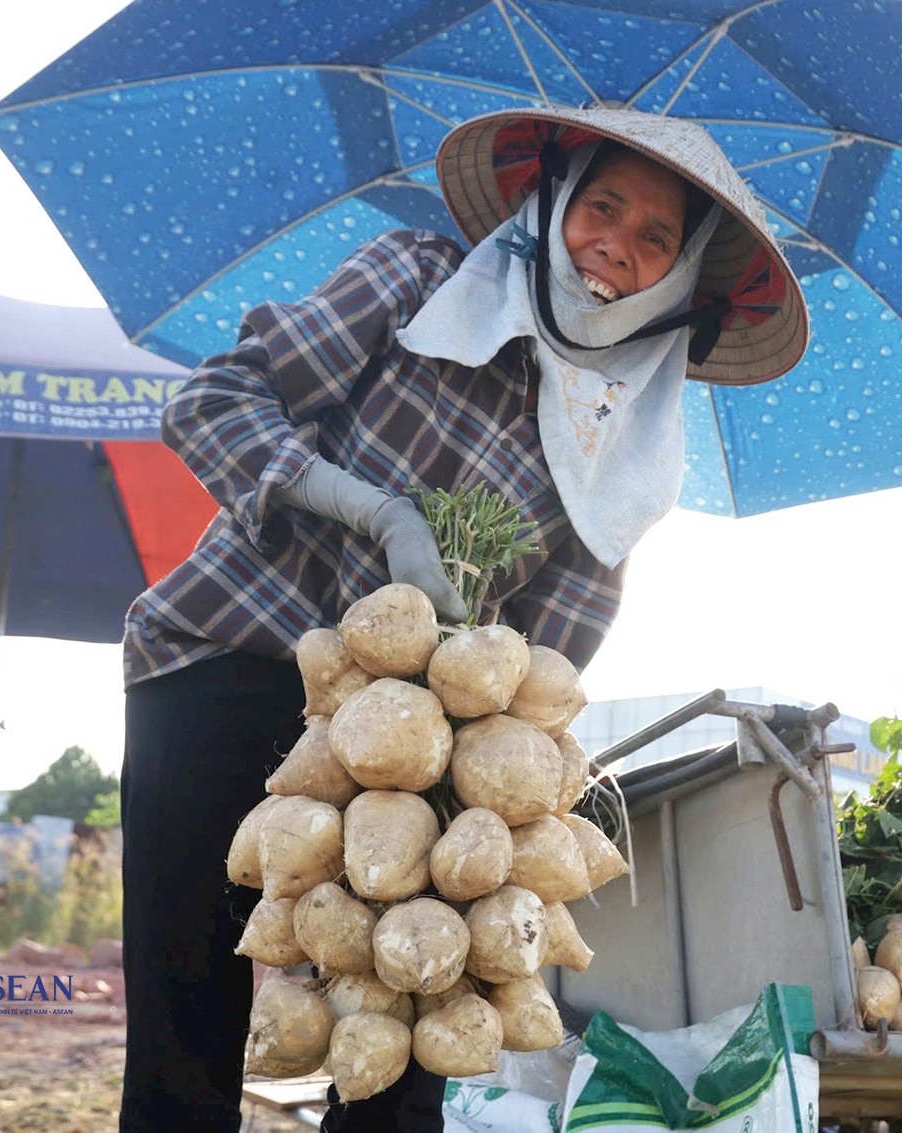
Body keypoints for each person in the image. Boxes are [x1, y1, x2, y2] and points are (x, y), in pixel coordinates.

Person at [116, 105, 807, 1133]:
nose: (615, 242)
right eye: (601, 205)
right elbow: (216, 399)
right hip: (234, 657)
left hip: (425, 755)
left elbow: (548, 658)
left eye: (653, 236)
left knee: (404, 1045)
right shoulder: (414, 279)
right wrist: (368, 507)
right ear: (554, 202)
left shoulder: (625, 444)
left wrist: (476, 675)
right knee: (188, 1026)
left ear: (675, 277)